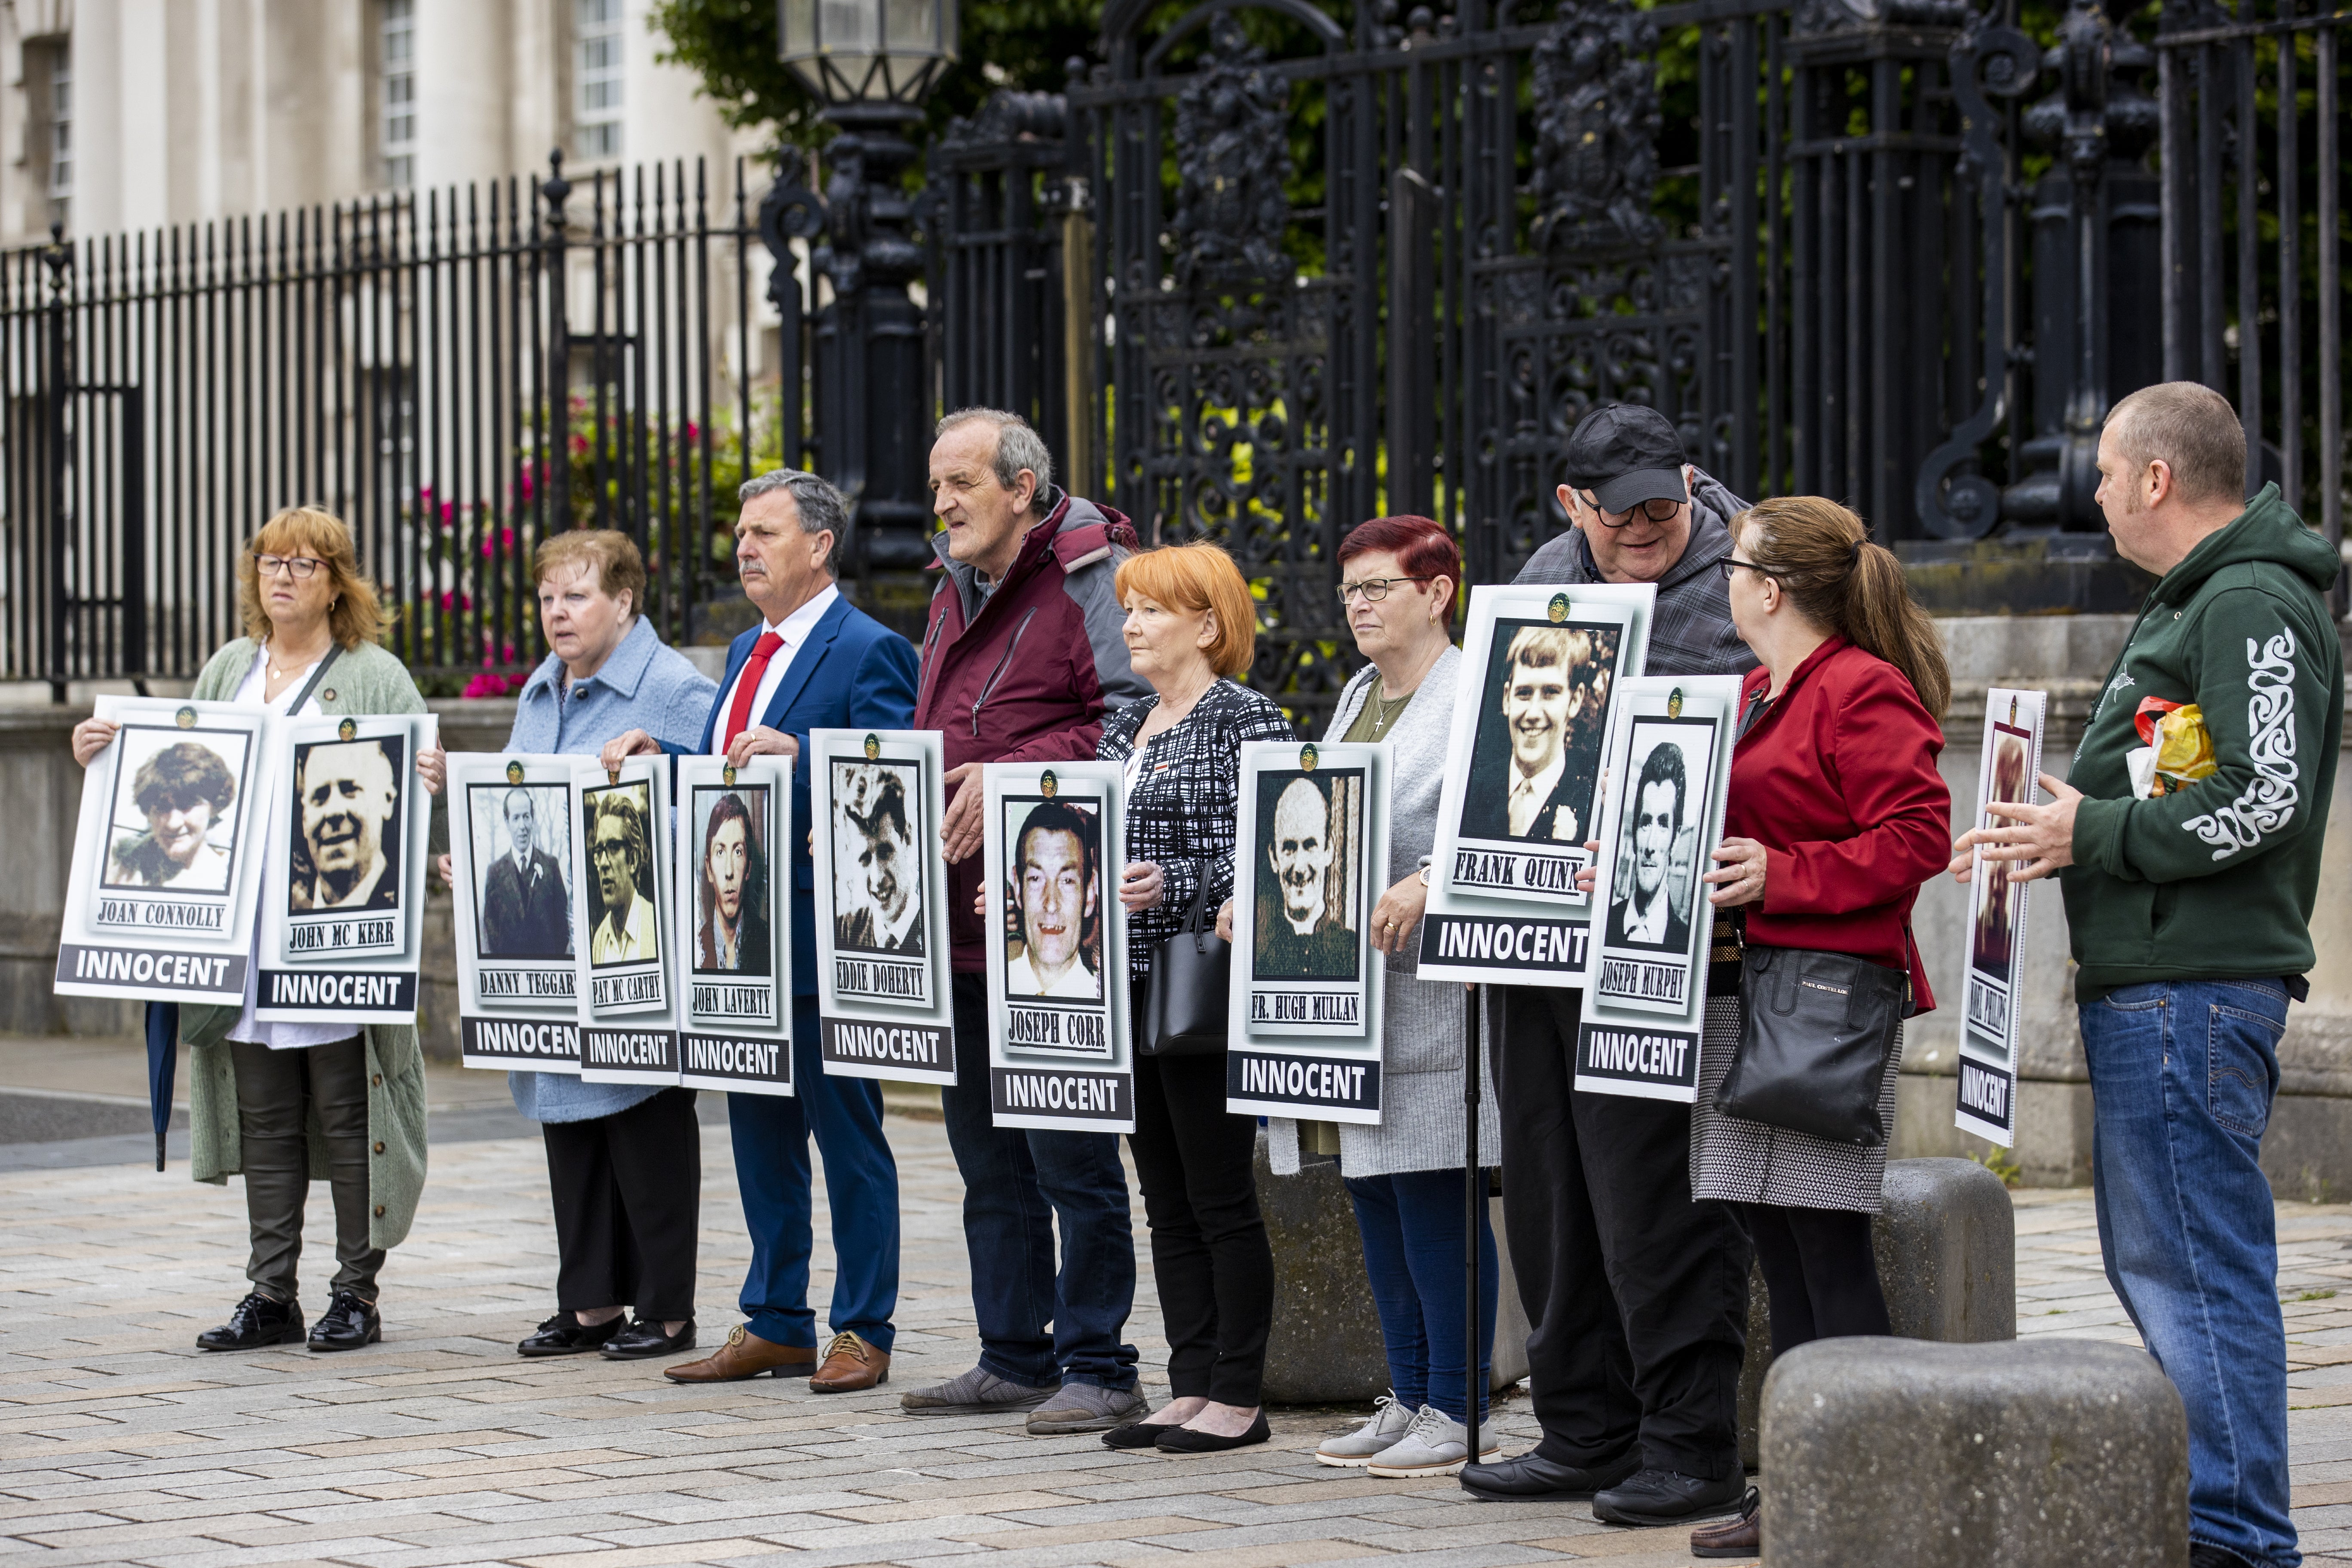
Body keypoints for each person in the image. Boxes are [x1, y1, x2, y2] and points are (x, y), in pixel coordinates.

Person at [1952, 383, 2343, 1568]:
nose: (2100, 496)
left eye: (2109, 476)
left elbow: (2262, 801)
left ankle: (2232, 1537)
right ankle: (2218, 1522)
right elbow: (2190, 781)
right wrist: (2074, 820)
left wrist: (2093, 836)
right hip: (2164, 986)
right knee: (2168, 1262)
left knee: (2195, 1272)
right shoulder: (2208, 599)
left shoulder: (2250, 601)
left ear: (2160, 480)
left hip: (2193, 991)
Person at [1461, 401, 1759, 1522]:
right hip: (1537, 941)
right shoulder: (1551, 569)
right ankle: (1584, 1425)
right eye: (1619, 510)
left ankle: (1691, 1444)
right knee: (1549, 1190)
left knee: (1660, 1197)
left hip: (1666, 942)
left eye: (1662, 503)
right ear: (1571, 506)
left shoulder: (1755, 568)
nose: (1646, 525)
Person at [70, 506, 433, 1355]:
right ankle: (272, 1295)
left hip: (333, 934)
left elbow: (413, 791)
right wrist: (107, 751)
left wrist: (435, 774)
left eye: (305, 564)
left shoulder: (374, 674)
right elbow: (178, 769)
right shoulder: (231, 666)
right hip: (243, 939)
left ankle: (355, 1294)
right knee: (266, 1115)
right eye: (271, 560)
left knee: (351, 1113)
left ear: (337, 581)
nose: (283, 576)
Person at [605, 468, 918, 1395]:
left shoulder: (871, 649)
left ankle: (863, 1326)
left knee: (849, 1139)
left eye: (765, 534)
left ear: (821, 546)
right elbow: (722, 780)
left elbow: (894, 778)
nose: (745, 549)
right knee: (758, 1138)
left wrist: (809, 752)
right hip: (736, 942)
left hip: (823, 941)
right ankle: (777, 1317)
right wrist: (665, 760)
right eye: (740, 534)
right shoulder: (746, 647)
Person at [1682, 496, 1954, 1559]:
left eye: (1734, 565)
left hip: (1824, 1003)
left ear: (1770, 586)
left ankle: (1866, 1484)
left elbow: (1917, 835)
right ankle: (1801, 1479)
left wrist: (1781, 874)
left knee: (1823, 1243)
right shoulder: (1758, 687)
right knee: (1774, 1240)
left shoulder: (1858, 687)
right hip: (1749, 992)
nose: (1723, 581)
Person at [1235, 515, 1505, 1478]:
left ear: (1437, 593)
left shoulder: (1476, 691)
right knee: (1373, 1194)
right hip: (1349, 997)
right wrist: (1259, 900)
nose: (1358, 606)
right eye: (1349, 590)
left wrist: (1432, 878)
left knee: (1435, 1192)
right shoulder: (1358, 694)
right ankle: (1409, 1390)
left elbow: (1507, 810)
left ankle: (1460, 1407)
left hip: (1434, 991)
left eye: (1378, 587)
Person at [902, 407, 1152, 1435]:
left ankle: (1101, 1362)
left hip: (1052, 921)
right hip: (960, 918)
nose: (941, 505)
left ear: (1020, 486)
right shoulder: (949, 582)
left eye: (960, 484)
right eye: (934, 488)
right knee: (985, 1155)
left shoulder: (1095, 571)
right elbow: (939, 732)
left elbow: (1134, 719)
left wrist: (1001, 775)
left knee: (1069, 1153)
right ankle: (1014, 1352)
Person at [418, 527, 716, 1363]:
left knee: (645, 1124)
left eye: (577, 595)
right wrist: (470, 853)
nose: (558, 612)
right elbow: (526, 800)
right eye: (549, 596)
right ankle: (589, 1304)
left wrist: (665, 765)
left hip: (635, 951)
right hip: (553, 953)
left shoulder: (672, 685)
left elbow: (717, 785)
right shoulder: (540, 691)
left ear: (624, 602)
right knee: (569, 1122)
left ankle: (666, 1309)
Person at [1096, 541, 1294, 1455]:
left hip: (1199, 989)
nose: (1131, 623)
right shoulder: (1124, 724)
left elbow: (1279, 843)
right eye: (1129, 607)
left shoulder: (1246, 720)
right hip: (1123, 988)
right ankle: (1188, 1383)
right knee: (1164, 1198)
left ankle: (1239, 1395)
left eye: (1152, 609)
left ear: (1209, 625)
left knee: (1219, 1196)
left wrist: (1175, 880)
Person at [1466, 627, 1609, 843]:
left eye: (1551, 693)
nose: (1533, 713)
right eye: (1524, 693)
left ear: (1575, 700)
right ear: (1507, 698)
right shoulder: (1471, 793)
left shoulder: (1593, 802)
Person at [1254, 776, 1357, 978]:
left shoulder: (1354, 951)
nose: (1300, 868)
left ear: (1329, 850)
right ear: (1274, 857)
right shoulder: (1259, 958)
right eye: (1289, 848)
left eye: (1310, 846)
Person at [291, 739, 401, 911]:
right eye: (320, 797)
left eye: (350, 790)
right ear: (305, 820)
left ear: (387, 800)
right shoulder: (287, 908)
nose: (334, 812)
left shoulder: (408, 900)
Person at [109, 741, 238, 890]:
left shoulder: (227, 881)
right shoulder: (120, 859)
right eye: (162, 806)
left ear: (214, 807)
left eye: (187, 804)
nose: (173, 823)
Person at [1603, 740, 1693, 952]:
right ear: (1634, 832)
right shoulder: (1603, 924)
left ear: (1676, 837)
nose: (1650, 846)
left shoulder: (1688, 942)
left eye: (1663, 824)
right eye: (1645, 823)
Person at [1006, 802, 1102, 998]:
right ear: (1017, 888)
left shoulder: (1109, 999)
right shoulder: (994, 990)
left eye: (1067, 881)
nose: (1051, 904)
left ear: (1090, 894)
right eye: (1036, 879)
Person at [835, 771, 921, 957]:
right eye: (865, 859)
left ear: (906, 840)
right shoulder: (843, 932)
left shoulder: (937, 929)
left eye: (885, 852)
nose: (877, 877)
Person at [481, 788, 571, 959]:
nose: (522, 826)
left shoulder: (551, 867)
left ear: (533, 819)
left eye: (526, 817)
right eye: (516, 818)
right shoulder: (495, 873)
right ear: (507, 823)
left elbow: (562, 924)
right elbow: (491, 926)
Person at [698, 792, 772, 974]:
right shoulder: (695, 944)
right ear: (709, 870)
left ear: (748, 869)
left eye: (738, 852)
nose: (729, 872)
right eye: (720, 852)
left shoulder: (769, 942)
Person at [587, 788, 659, 964]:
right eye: (599, 851)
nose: (603, 863)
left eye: (613, 848)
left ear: (633, 860)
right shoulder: (599, 942)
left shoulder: (657, 927)